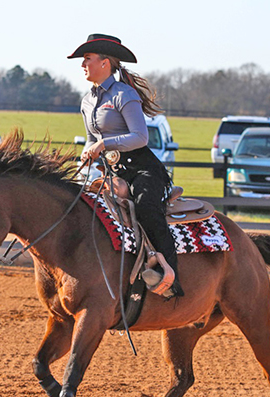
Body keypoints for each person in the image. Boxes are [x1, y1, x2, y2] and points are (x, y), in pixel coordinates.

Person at [68, 33, 184, 298]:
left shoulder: (124, 94)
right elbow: (90, 139)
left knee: (147, 210)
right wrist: (89, 151)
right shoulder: (87, 101)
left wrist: (104, 144)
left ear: (105, 63)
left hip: (143, 171)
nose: (82, 65)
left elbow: (140, 137)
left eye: (87, 58)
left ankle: (170, 281)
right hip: (112, 173)